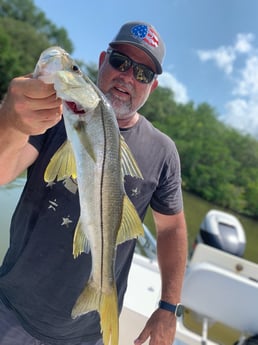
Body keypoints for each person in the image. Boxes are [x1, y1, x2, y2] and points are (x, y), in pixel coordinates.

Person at [0, 21, 188, 345]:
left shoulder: (163, 152)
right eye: (120, 62)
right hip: (11, 311)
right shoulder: (48, 117)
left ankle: (100, 293)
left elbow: (172, 229)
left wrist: (168, 306)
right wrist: (10, 121)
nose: (128, 76)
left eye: (142, 73)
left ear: (152, 87)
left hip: (87, 335)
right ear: (102, 61)